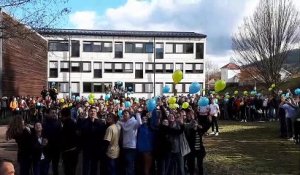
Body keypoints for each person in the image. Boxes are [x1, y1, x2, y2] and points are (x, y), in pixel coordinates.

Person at [81, 106, 106, 175]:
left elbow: (102, 134)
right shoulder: (84, 121)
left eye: (94, 111)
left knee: (94, 166)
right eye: (91, 111)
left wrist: (95, 122)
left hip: (96, 148)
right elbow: (83, 132)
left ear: (96, 113)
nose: (93, 113)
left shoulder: (101, 123)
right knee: (86, 166)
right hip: (87, 147)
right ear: (89, 112)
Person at [118, 109, 142, 175]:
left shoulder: (134, 122)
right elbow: (117, 123)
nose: (125, 114)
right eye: (124, 113)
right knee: (126, 165)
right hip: (124, 146)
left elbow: (140, 123)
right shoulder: (123, 123)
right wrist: (120, 119)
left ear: (130, 115)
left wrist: (137, 114)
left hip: (131, 147)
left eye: (126, 113)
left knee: (130, 165)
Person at [42, 108, 62, 175]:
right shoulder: (44, 123)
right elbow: (42, 134)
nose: (54, 114)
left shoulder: (59, 123)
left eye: (55, 112)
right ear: (48, 114)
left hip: (56, 149)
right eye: (52, 112)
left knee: (55, 167)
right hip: (47, 149)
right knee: (46, 167)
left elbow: (61, 135)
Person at [60, 108, 79, 175]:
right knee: (72, 170)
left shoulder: (66, 124)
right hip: (74, 150)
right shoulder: (73, 123)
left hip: (68, 152)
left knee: (68, 170)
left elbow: (64, 138)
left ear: (63, 116)